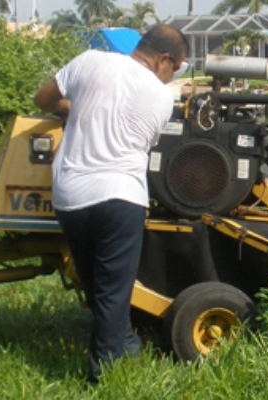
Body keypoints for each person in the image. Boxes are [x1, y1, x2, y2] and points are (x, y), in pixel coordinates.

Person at [32, 25, 187, 384]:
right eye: (176, 67)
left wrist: (73, 106)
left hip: (71, 196)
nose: (173, 75)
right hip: (121, 196)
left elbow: (43, 99)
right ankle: (103, 379)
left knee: (96, 286)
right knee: (112, 292)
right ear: (163, 59)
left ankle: (127, 346)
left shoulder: (89, 61)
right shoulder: (163, 99)